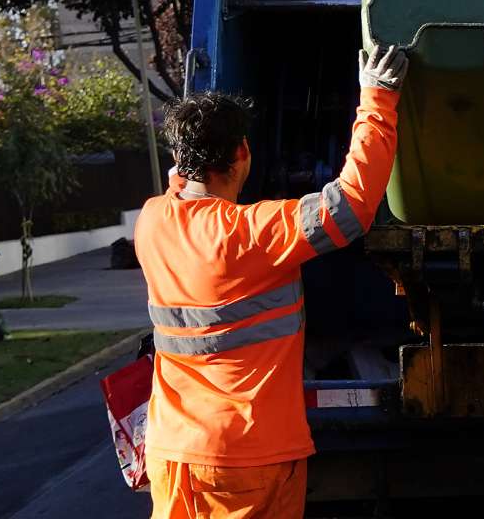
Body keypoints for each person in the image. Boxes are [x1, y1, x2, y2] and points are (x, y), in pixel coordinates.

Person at [135, 44, 407, 519]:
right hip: (245, 459)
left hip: (172, 452)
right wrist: (377, 100)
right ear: (242, 153)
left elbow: (178, 185)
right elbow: (351, 205)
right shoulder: (251, 234)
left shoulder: (152, 220)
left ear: (179, 158)